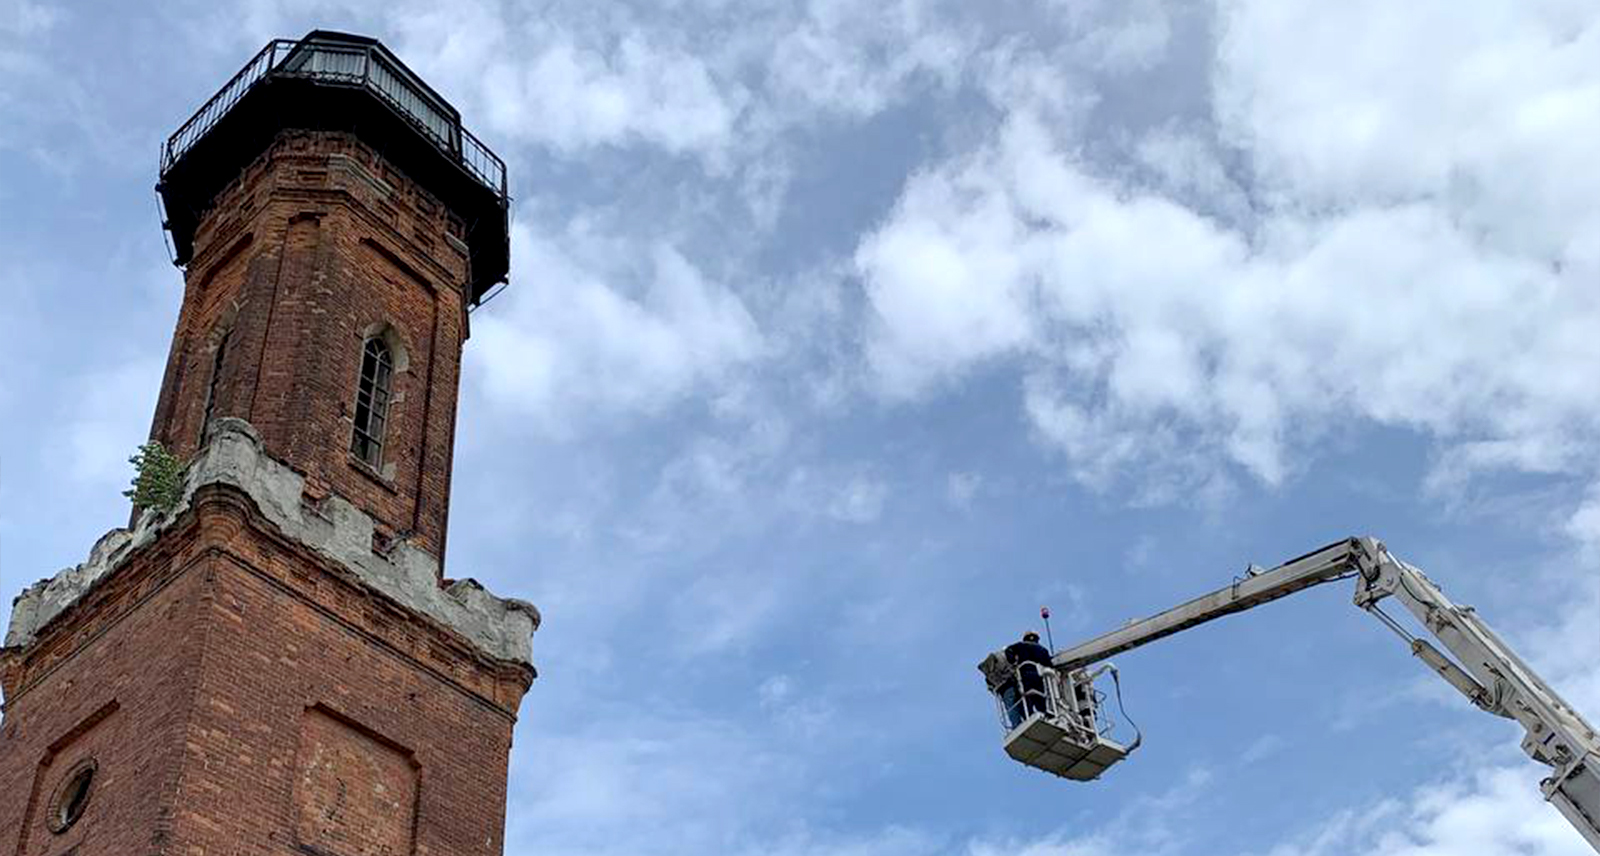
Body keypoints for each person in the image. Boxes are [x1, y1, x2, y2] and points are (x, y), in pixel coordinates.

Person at [1005, 631, 1054, 720]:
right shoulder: (1043, 650)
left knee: (1025, 697)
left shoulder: (1020, 645)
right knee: (1040, 696)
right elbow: (1049, 665)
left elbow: (1008, 650)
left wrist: (1012, 660)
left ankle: (1029, 716)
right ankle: (1045, 713)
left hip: (1025, 674)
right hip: (1038, 676)